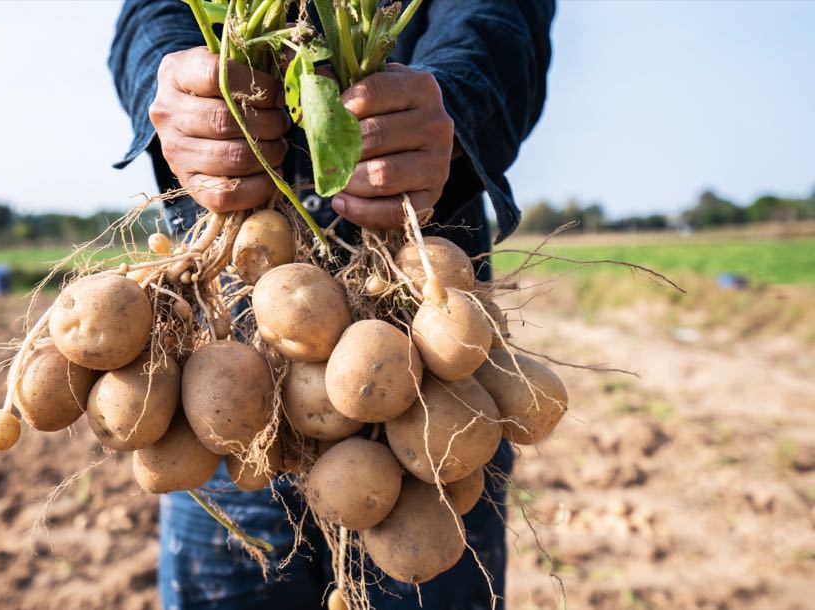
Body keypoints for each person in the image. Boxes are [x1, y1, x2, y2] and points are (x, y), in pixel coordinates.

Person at [109, 2, 554, 608]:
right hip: (227, 378)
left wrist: (454, 102)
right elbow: (151, 14)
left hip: (418, 370)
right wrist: (176, 85)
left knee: (429, 527)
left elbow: (499, 18)